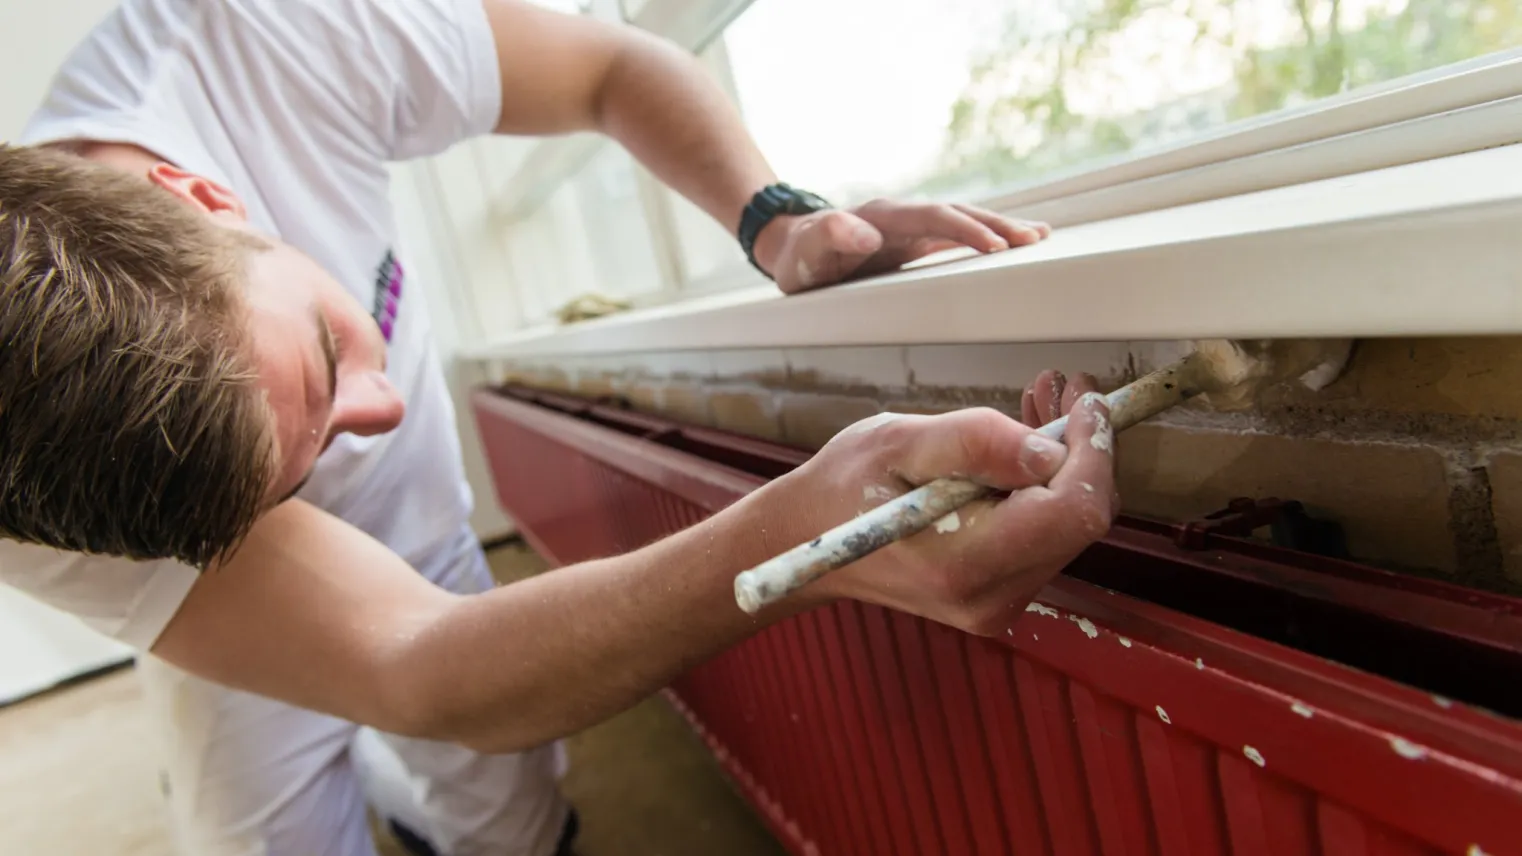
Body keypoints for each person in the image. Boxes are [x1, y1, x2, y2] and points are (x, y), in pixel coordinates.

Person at [0, 1, 1118, 854]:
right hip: (226, 626)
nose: (385, 415)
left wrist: (770, 216)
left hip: (425, 541)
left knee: (512, 809)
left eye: (330, 356)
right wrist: (801, 538)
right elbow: (416, 667)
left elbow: (608, 66)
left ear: (208, 199)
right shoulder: (39, 494)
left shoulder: (269, 34)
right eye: (293, 477)